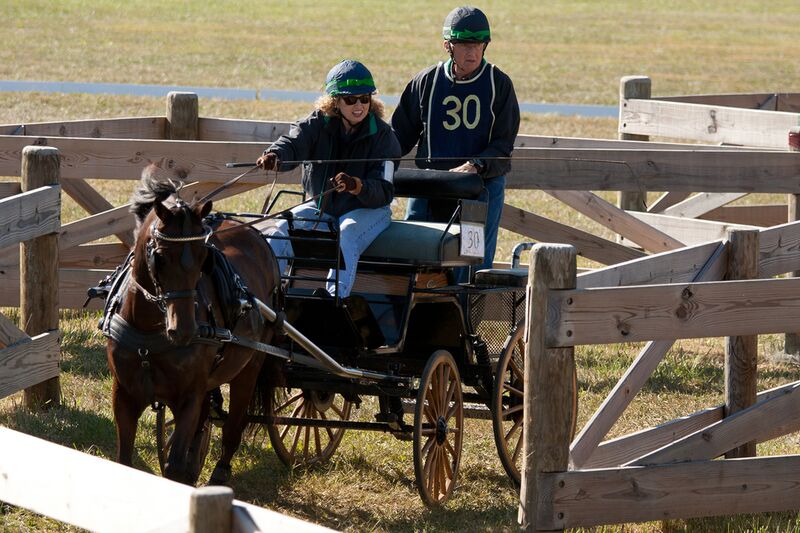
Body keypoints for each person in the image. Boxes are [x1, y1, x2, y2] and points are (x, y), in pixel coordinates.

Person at [392, 6, 520, 281]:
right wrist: (374, 162)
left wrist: (475, 165)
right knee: (415, 256)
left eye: (477, 45)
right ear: (447, 46)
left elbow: (503, 145)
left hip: (479, 186)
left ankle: (465, 309)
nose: (472, 52)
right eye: (464, 45)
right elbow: (399, 136)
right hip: (429, 184)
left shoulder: (499, 84)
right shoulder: (426, 81)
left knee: (471, 265)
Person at [257, 59, 400, 298]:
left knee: (347, 234)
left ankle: (335, 300)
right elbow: (293, 143)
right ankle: (270, 300)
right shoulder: (317, 123)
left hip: (369, 211)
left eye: (364, 98)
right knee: (278, 229)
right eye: (350, 100)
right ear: (335, 101)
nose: (359, 106)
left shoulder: (384, 136)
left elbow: (384, 192)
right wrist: (275, 156)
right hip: (324, 207)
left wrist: (357, 186)